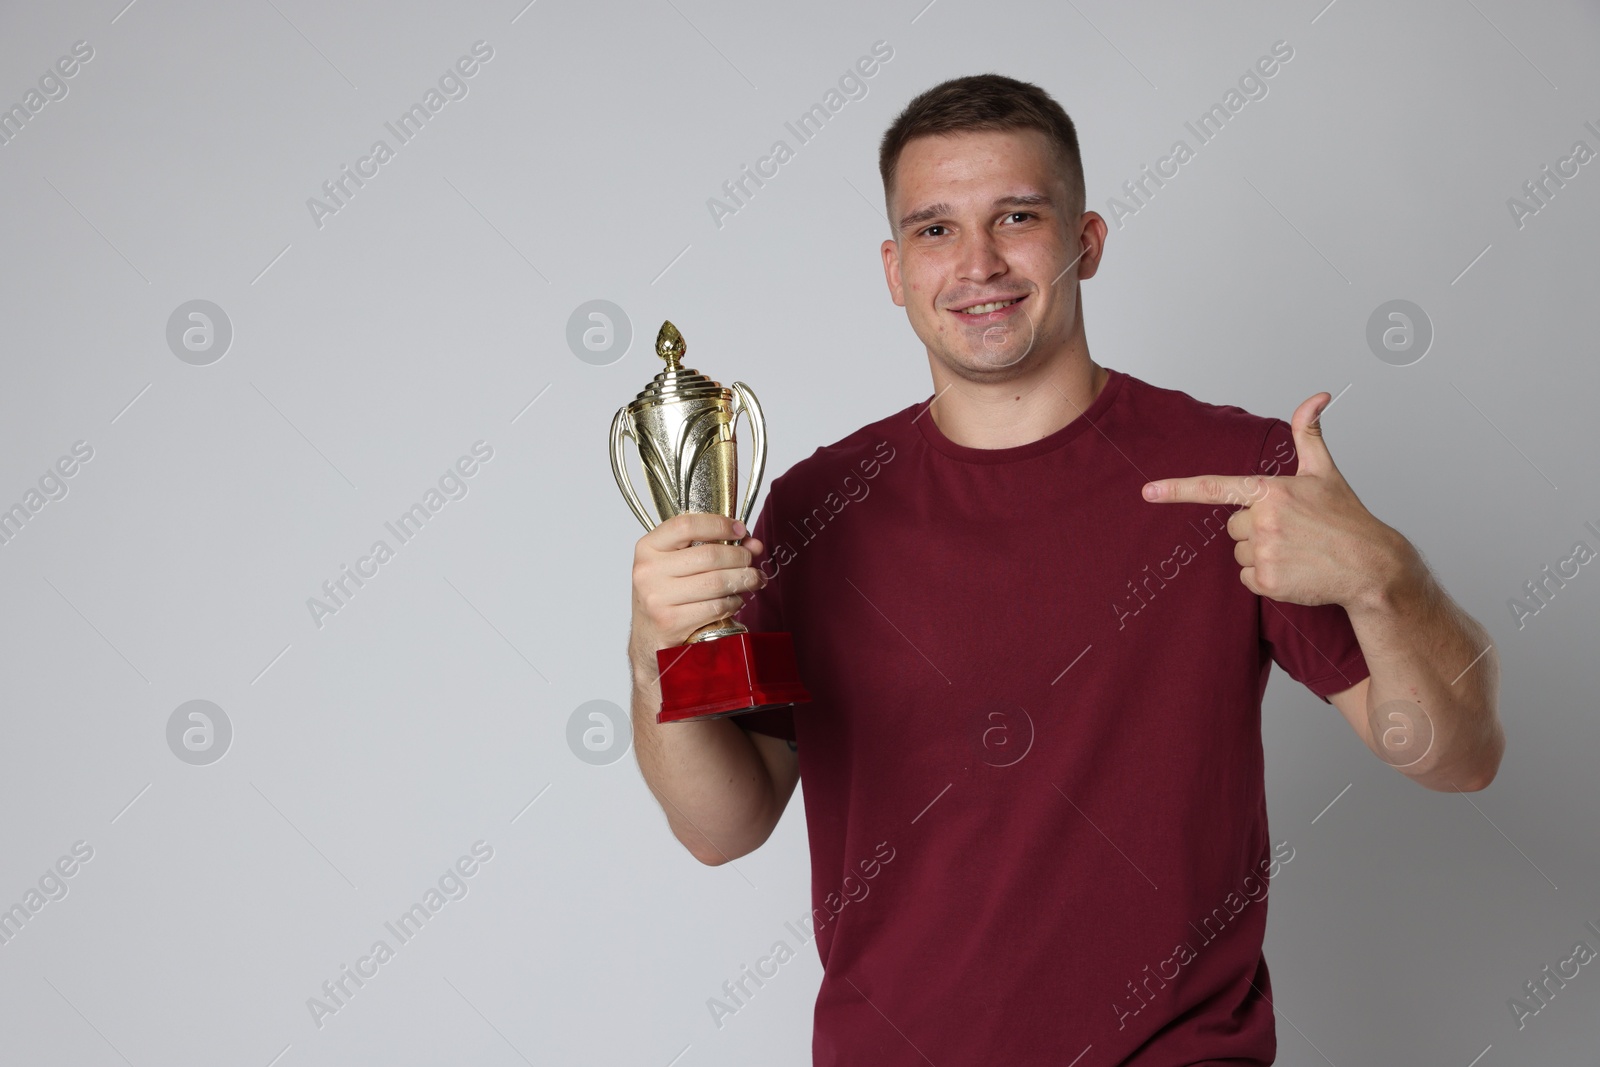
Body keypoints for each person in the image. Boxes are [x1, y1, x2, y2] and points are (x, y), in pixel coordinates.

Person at [626, 73, 1504, 1066]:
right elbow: (723, 824)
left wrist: (1387, 576)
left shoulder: (1239, 474)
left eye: (1016, 217)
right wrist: (655, 645)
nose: (978, 264)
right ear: (892, 268)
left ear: (1085, 240)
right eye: (934, 230)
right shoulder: (812, 507)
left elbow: (1457, 753)